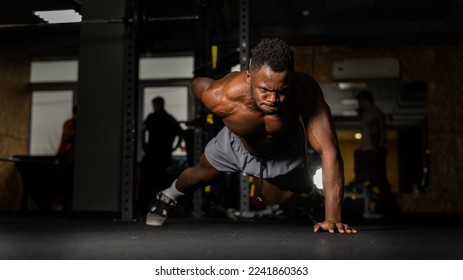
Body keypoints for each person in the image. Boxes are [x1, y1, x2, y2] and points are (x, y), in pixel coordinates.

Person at [146, 38, 356, 234]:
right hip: (236, 142)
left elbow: (329, 151)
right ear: (248, 76)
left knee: (299, 185)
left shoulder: (305, 91)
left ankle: (310, 195)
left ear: (291, 79)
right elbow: (197, 85)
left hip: (284, 149)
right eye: (264, 90)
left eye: (282, 90)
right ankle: (167, 196)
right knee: (200, 175)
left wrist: (333, 217)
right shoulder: (220, 96)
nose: (273, 99)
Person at [138, 96, 183, 216]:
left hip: (152, 154)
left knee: (146, 183)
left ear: (156, 104)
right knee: (163, 183)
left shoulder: (152, 117)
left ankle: (142, 210)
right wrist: (175, 147)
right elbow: (180, 135)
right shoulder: (170, 119)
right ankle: (163, 210)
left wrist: (143, 145)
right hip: (164, 156)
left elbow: (142, 130)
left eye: (153, 105)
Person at [354, 90, 392, 212]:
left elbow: (374, 131)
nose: (358, 104)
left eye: (359, 101)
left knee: (376, 178)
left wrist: (373, 148)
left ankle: (387, 207)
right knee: (380, 178)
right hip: (376, 149)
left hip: (373, 150)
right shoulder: (377, 111)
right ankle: (387, 207)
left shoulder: (370, 112)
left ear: (365, 100)